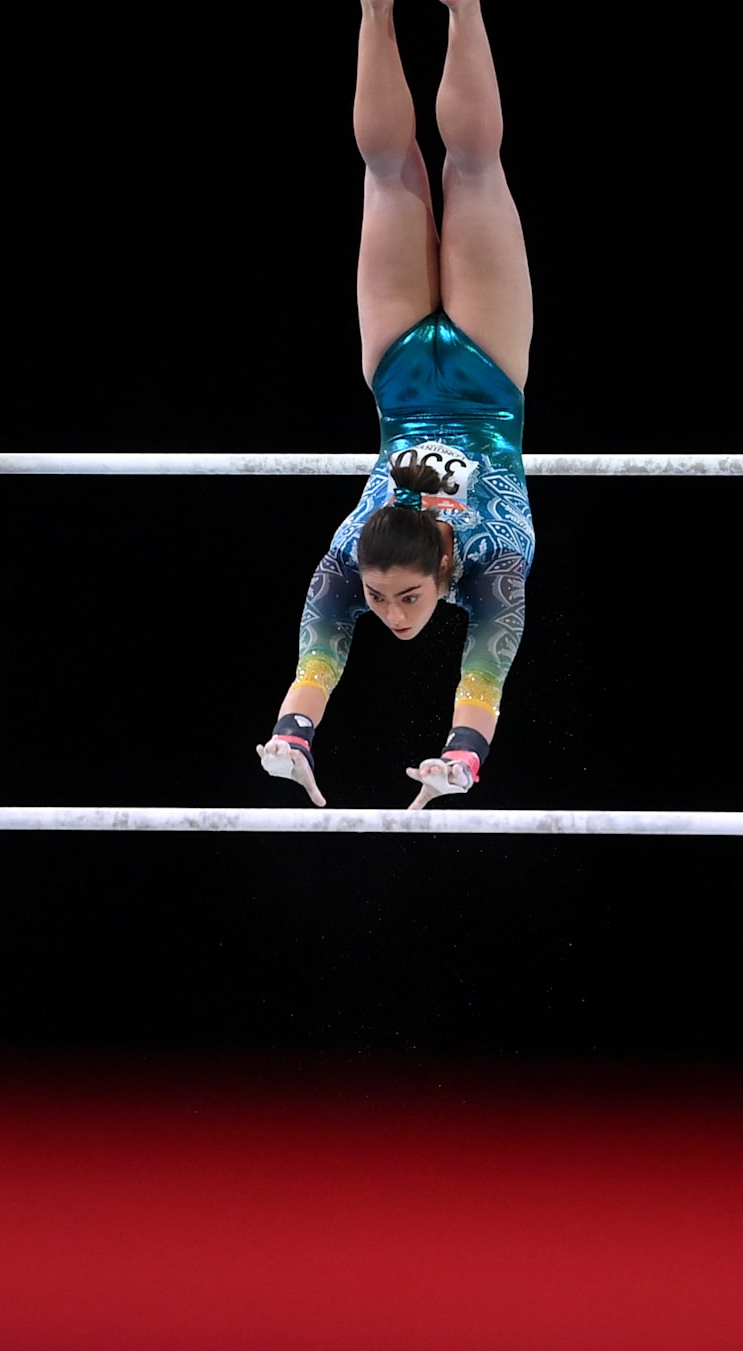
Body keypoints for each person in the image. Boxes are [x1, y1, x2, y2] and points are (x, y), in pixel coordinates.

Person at [257, 0, 535, 811]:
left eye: (395, 597)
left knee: (394, 171)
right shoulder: (501, 561)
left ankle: (379, 9)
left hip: (401, 374)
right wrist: (463, 758)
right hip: (486, 373)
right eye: (386, 596)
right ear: (448, 561)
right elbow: (488, 664)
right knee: (473, 166)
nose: (386, 609)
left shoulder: (352, 547)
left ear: (440, 564)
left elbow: (318, 656)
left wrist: (290, 735)